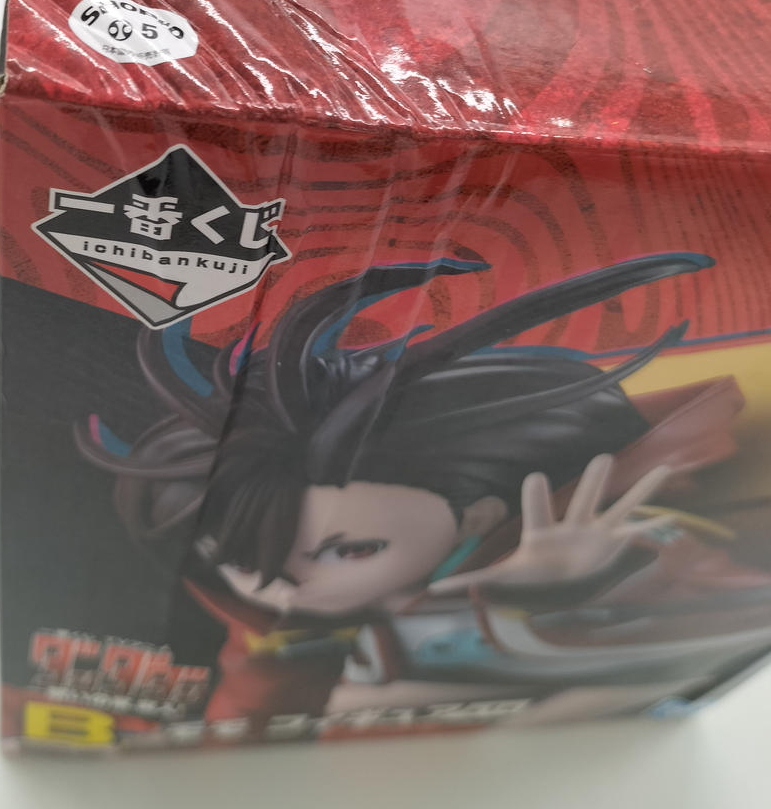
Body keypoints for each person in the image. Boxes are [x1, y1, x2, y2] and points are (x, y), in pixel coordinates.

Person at [79, 253, 771, 732]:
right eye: (236, 554)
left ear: (477, 515)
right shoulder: (260, 620)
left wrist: (555, 585)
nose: (278, 585)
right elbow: (272, 710)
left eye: (350, 550)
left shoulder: (605, 528)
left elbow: (686, 641)